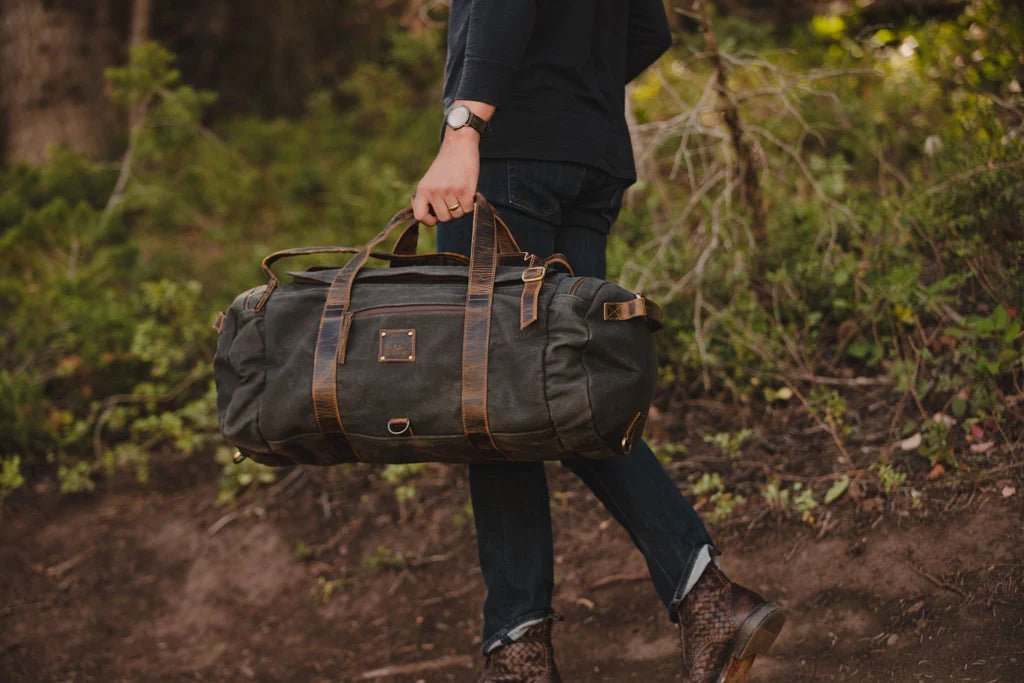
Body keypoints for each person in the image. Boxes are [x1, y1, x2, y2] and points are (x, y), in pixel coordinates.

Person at [412, 2, 784, 681]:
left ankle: (520, 647)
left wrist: (464, 128)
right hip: (588, 156)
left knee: (492, 399)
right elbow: (648, 29)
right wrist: (570, 85)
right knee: (567, 391)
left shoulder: (488, 130)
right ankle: (705, 593)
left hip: (510, 159)